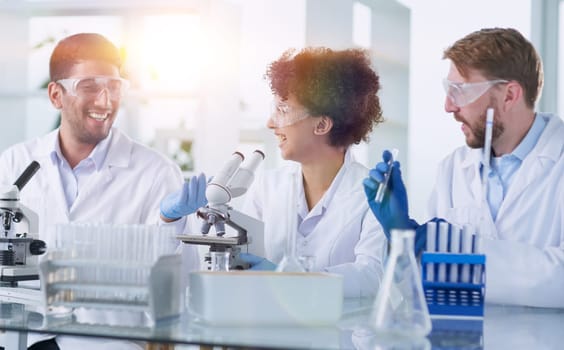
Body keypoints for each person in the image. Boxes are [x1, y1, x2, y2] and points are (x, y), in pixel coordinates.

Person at [0, 33, 206, 350]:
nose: (105, 100)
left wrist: (168, 223)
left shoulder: (156, 172)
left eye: (114, 87)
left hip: (109, 342)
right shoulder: (15, 162)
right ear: (56, 95)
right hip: (25, 338)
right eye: (90, 87)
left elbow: (181, 287)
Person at [364, 28, 564, 308]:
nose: (448, 106)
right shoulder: (453, 169)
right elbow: (423, 287)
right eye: (448, 90)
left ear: (509, 95)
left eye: (459, 91)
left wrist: (458, 248)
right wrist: (405, 241)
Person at [238, 47, 387, 297]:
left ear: (321, 124)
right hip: (269, 330)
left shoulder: (374, 193)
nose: (271, 123)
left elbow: (371, 276)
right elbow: (244, 263)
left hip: (342, 334)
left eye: (283, 110)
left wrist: (290, 279)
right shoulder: (267, 187)